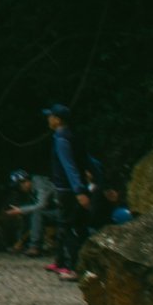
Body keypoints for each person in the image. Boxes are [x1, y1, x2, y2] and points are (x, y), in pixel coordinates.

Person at [43, 103, 94, 280]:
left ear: (57, 120)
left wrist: (79, 190)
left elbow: (69, 166)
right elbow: (85, 161)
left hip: (68, 189)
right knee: (65, 225)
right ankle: (61, 261)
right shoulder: (71, 136)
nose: (48, 120)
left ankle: (73, 267)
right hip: (69, 188)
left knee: (72, 226)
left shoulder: (62, 139)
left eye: (50, 117)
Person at [3, 168, 57, 254]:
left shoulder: (40, 184)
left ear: (25, 181)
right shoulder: (32, 189)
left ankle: (35, 246)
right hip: (53, 211)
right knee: (28, 214)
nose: (19, 189)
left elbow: (41, 205)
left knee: (37, 213)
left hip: (63, 211)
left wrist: (21, 210)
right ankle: (21, 244)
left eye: (19, 185)